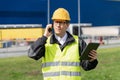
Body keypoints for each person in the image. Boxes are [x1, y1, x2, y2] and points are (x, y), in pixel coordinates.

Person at [28, 8, 98, 80]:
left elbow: (86, 67)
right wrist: (44, 36)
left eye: (61, 22)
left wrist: (91, 61)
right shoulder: (45, 42)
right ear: (52, 24)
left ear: (67, 25)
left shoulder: (78, 42)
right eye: (56, 22)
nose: (58, 25)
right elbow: (32, 54)